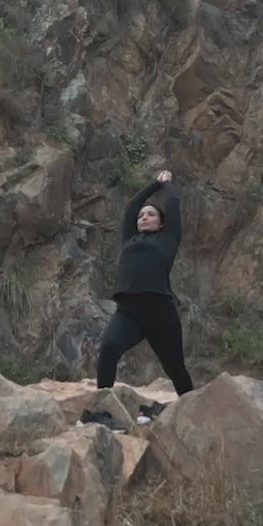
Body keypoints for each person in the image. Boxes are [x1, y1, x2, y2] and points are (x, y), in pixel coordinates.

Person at [95, 169, 194, 397]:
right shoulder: (128, 239)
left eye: (150, 214)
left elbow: (173, 204)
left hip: (161, 314)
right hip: (129, 313)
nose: (143, 217)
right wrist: (153, 184)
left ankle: (190, 406)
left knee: (176, 369)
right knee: (109, 348)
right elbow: (132, 207)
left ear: (161, 223)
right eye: (141, 216)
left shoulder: (168, 239)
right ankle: (103, 406)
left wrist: (166, 184)